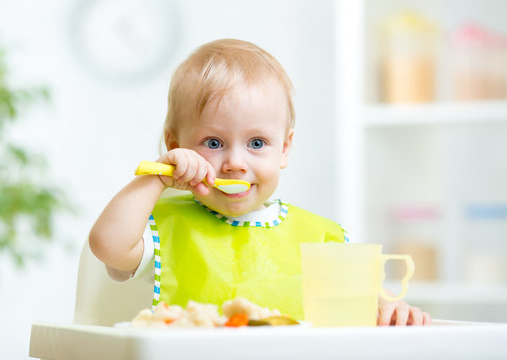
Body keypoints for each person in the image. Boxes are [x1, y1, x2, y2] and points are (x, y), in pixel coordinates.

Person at [89, 39, 431, 326]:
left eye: (256, 143)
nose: (236, 163)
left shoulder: (321, 239)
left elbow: (358, 317)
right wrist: (158, 177)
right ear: (176, 147)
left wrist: (389, 312)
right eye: (213, 143)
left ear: (283, 149)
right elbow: (107, 245)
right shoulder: (163, 225)